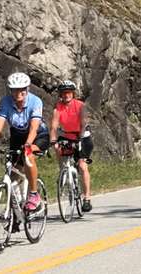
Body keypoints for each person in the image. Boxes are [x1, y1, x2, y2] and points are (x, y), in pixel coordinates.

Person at [0, 72, 49, 211]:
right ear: (10, 90)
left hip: (38, 135)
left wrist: (28, 145)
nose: (18, 93)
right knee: (13, 173)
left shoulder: (35, 101)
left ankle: (34, 194)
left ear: (27, 89)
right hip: (17, 135)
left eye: (22, 89)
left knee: (28, 156)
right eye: (14, 89)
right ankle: (14, 213)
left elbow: (34, 127)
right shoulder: (6, 101)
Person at [49, 80, 94, 212]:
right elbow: (54, 125)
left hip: (82, 137)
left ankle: (87, 198)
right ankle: (63, 170)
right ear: (60, 95)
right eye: (64, 93)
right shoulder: (58, 108)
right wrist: (53, 140)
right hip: (67, 136)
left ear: (73, 94)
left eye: (69, 92)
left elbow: (83, 122)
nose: (66, 95)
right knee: (57, 148)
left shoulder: (80, 105)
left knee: (81, 165)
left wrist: (79, 137)